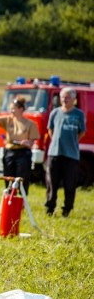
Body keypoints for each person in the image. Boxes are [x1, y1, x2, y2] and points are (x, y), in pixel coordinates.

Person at [0, 97, 39, 193]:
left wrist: (26, 143)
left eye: (13, 109)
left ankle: (21, 200)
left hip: (23, 153)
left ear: (20, 109)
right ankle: (9, 199)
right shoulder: (8, 120)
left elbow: (31, 143)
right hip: (9, 153)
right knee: (8, 178)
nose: (11, 111)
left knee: (21, 179)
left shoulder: (30, 124)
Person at [45, 87, 86, 217]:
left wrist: (71, 142)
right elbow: (50, 130)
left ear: (73, 99)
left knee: (69, 184)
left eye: (67, 97)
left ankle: (67, 210)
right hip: (55, 153)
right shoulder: (55, 113)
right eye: (62, 97)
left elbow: (82, 132)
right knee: (52, 183)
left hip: (71, 155)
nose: (64, 99)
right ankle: (50, 209)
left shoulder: (79, 114)